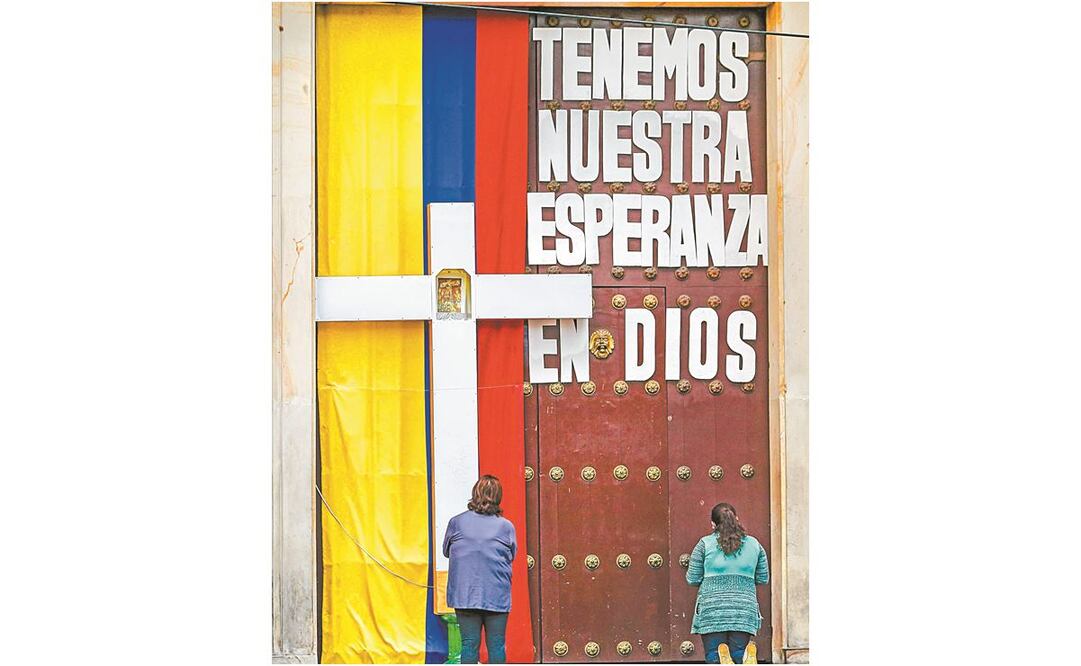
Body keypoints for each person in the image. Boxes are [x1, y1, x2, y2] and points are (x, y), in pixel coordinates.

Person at [442, 475, 517, 664]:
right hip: (496, 595)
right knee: (497, 645)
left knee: (468, 645)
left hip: (465, 594)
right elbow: (512, 555)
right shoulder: (506, 526)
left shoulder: (456, 522)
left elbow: (446, 551)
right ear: (498, 496)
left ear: (474, 494)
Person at [686, 502, 770, 664]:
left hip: (712, 610)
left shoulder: (704, 544)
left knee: (715, 656)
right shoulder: (754, 544)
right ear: (736, 519)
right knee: (738, 654)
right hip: (743, 608)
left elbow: (692, 579)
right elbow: (762, 578)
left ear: (713, 524)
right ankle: (745, 658)